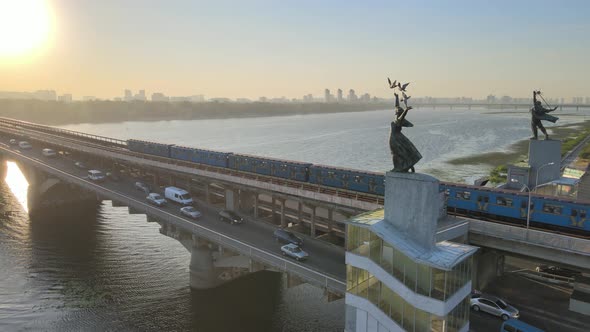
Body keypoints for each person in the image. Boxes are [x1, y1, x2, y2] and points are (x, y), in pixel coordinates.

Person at [389, 93, 422, 172]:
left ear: (397, 113)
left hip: (395, 139)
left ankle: (398, 167)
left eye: (397, 110)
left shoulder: (398, 120)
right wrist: (396, 97)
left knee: (396, 153)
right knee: (401, 152)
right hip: (398, 138)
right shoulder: (397, 119)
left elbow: (402, 116)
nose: (395, 109)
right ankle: (406, 165)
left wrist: (406, 110)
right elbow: (396, 105)